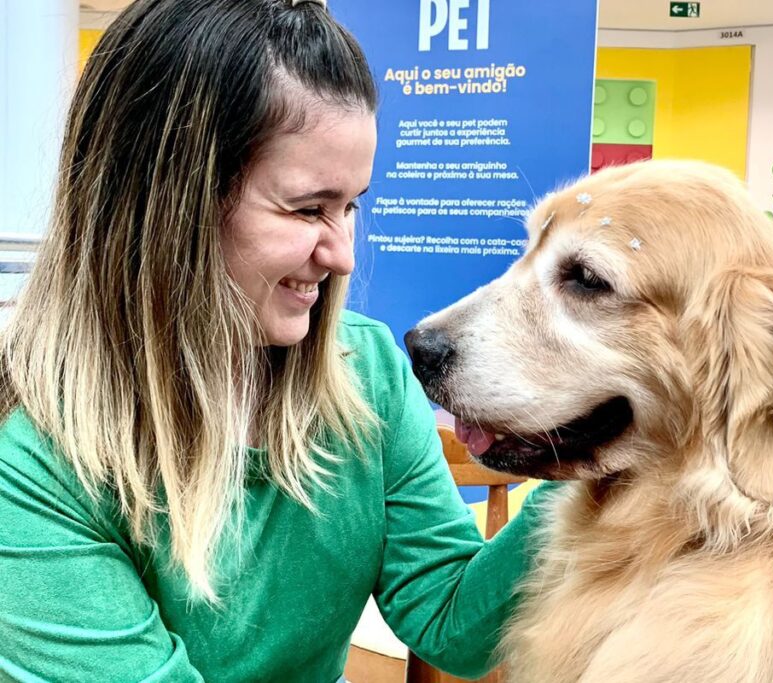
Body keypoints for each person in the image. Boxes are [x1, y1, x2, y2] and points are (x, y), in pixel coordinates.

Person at [0, 0, 556, 680]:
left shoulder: (367, 370)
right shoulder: (32, 462)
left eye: (351, 206)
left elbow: (452, 621)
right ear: (170, 199)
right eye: (307, 208)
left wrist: (603, 464)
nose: (344, 253)